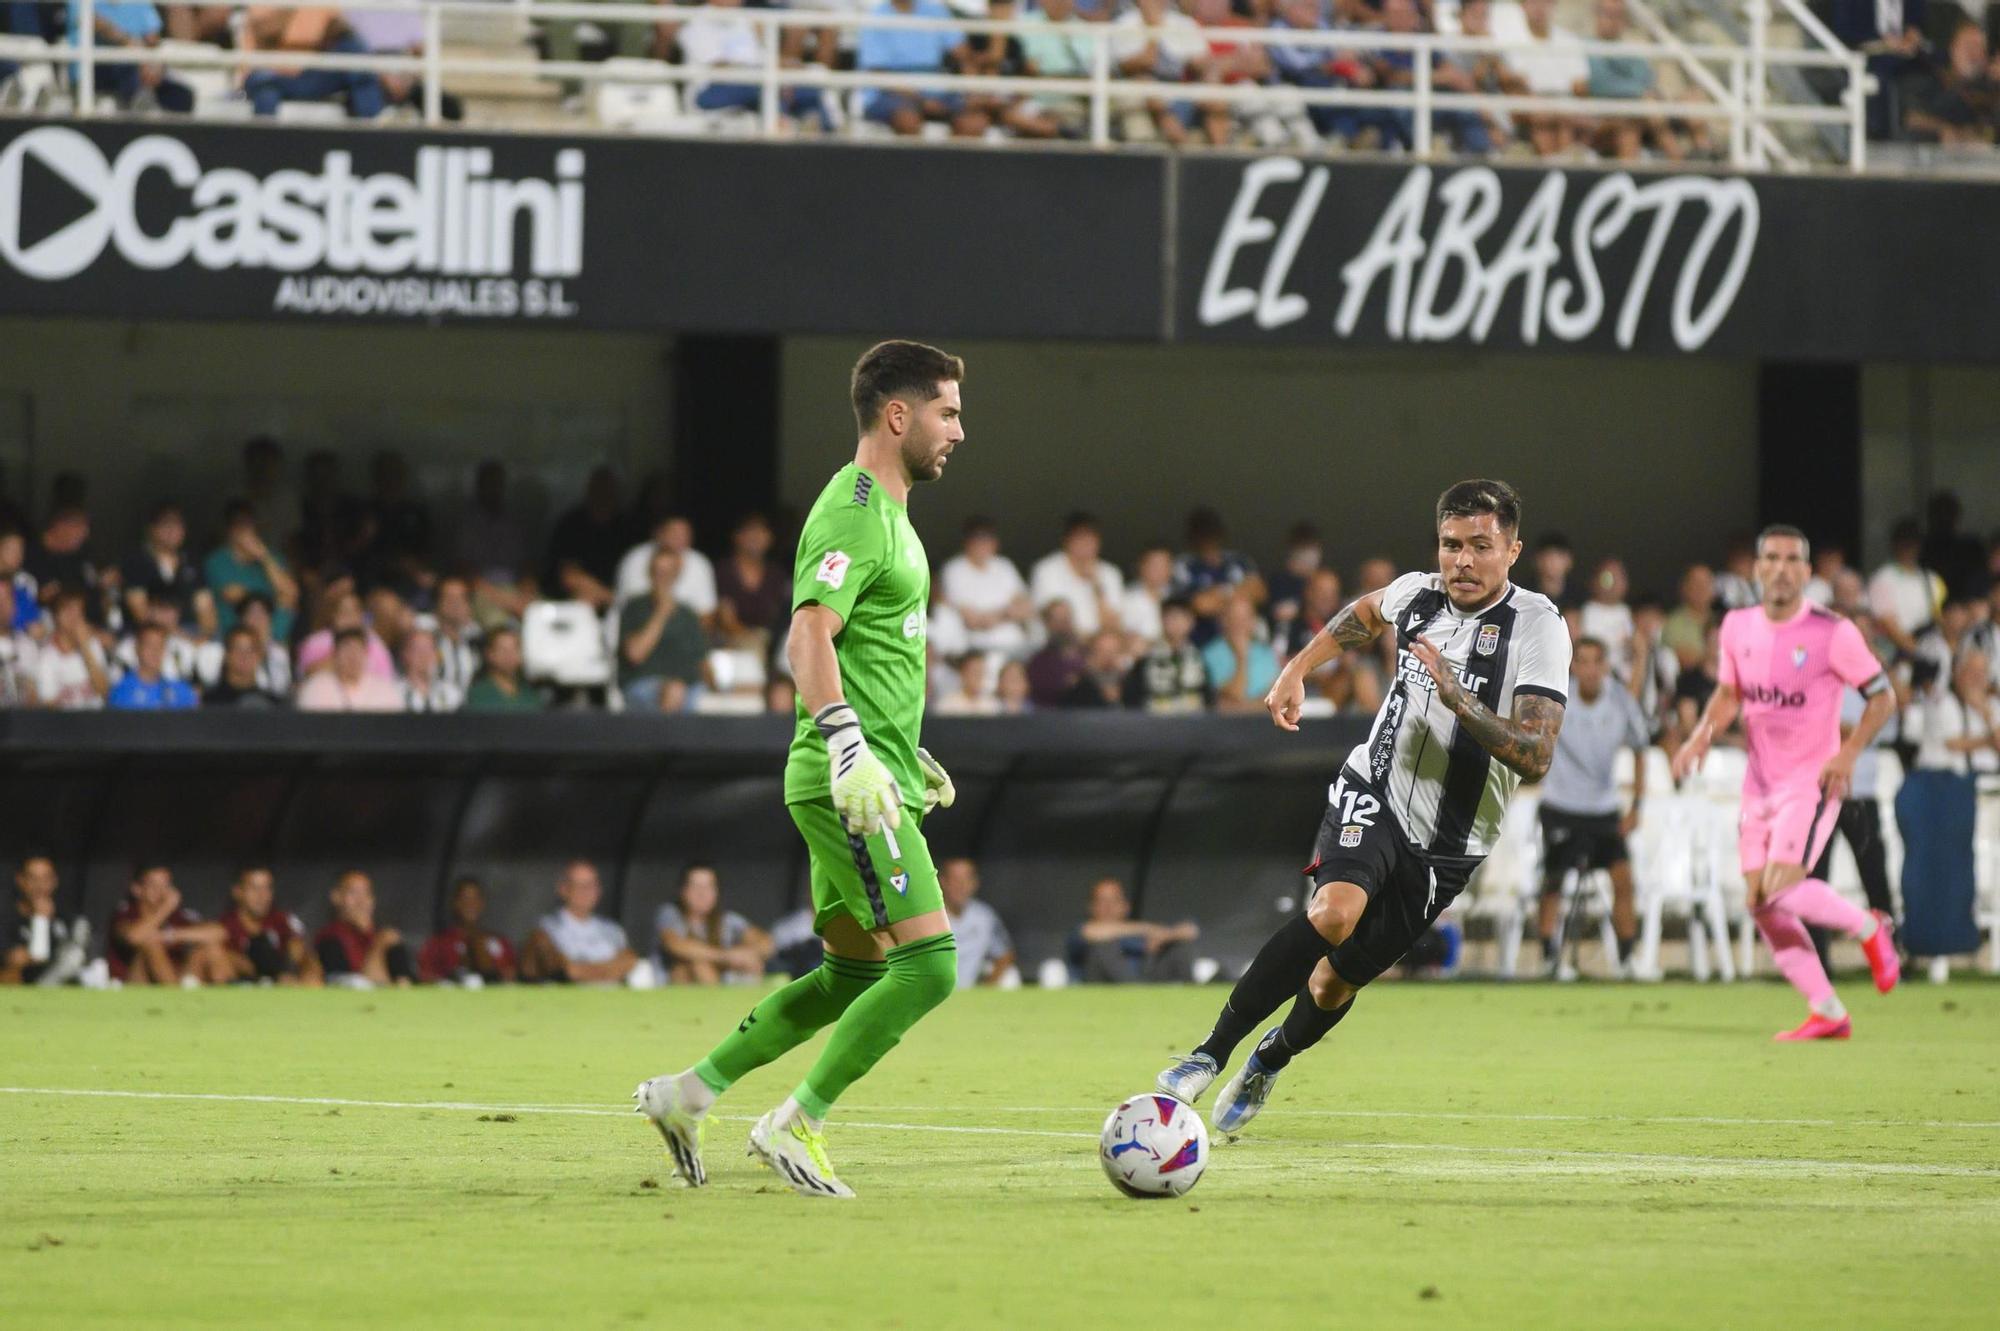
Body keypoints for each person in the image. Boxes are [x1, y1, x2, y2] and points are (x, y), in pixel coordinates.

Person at [635, 340, 966, 1200]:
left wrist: (901, 746)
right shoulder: (855, 509)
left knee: (850, 974)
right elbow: (807, 632)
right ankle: (797, 1121)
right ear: (900, 415)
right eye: (948, 412)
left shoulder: (891, 514)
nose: (959, 431)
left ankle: (687, 1093)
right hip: (848, 783)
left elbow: (868, 647)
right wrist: (851, 743)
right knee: (930, 967)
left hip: (871, 772)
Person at [1156, 479, 1571, 1137]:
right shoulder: (1418, 593)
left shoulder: (1539, 627)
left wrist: (1458, 698)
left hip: (1450, 845)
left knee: (1331, 985)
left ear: (1512, 550)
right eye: (1450, 544)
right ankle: (1209, 1052)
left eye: (1480, 546)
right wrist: (1297, 666)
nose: (1462, 560)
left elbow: (1536, 753)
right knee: (1333, 912)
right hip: (1374, 790)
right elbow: (1366, 612)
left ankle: (1271, 1056)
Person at [1672, 526, 1901, 1040]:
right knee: (1758, 902)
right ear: (1756, 568)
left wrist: (1849, 752)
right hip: (1760, 784)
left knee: (1782, 888)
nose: (1779, 567)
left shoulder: (1832, 631)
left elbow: (1883, 696)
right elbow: (1729, 694)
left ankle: (1870, 925)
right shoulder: (1736, 626)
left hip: (1811, 782)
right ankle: (1827, 1010)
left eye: (1791, 559)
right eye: (1769, 558)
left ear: (1806, 571)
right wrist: (1700, 737)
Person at [1535, 637, 1649, 976]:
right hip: (1561, 804)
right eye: (1581, 661)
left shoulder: (1621, 701)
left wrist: (1636, 806)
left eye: (1595, 662)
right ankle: (1547, 958)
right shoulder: (1557, 697)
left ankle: (1628, 960)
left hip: (1603, 809)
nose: (1588, 669)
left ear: (1604, 666)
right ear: (1574, 666)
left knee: (1623, 878)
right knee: (1553, 879)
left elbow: (1641, 748)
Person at [1895, 649, 1994, 968]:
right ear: (1957, 672)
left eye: (1983, 671)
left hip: (1965, 793)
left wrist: (1988, 717)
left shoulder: (1988, 706)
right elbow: (1953, 743)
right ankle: (1926, 943)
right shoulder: (1943, 701)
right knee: (1932, 871)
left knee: (1960, 872)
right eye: (1971, 670)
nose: (1977, 677)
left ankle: (1957, 942)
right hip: (1936, 792)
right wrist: (1989, 737)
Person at [109, 862, 233, 986]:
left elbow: (219, 933)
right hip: (135, 986)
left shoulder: (177, 917)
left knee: (211, 949)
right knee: (151, 945)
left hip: (177, 979)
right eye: (153, 885)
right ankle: (175, 998)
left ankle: (228, 1002)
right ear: (137, 889)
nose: (161, 891)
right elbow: (133, 937)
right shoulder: (127, 913)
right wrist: (165, 908)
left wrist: (168, 935)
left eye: (165, 885)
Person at [619, 547, 710, 713]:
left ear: (677, 575)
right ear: (650, 573)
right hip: (643, 684)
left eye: (668, 572)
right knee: (675, 690)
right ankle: (669, 739)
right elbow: (635, 654)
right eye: (658, 572)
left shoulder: (687, 613)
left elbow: (702, 660)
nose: (663, 578)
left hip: (690, 687)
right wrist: (661, 613)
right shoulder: (635, 607)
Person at [521, 860, 639, 984]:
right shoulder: (545, 928)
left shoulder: (612, 929)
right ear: (563, 889)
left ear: (599, 890)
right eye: (578, 885)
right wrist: (608, 970)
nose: (586, 892)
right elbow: (563, 969)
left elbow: (629, 962)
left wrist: (583, 970)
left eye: (591, 885)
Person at [655, 864, 773, 985]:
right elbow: (675, 945)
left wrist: (746, 956)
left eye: (708, 887)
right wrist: (726, 957)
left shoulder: (728, 920)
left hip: (725, 985)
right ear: (683, 890)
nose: (702, 893)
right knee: (697, 965)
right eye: (695, 886)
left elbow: (766, 944)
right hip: (672, 991)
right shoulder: (670, 914)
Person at [1068, 877, 1198, 983]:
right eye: (1102, 901)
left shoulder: (1135, 935)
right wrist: (1147, 929)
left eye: (1114, 900)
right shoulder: (1082, 931)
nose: (1108, 907)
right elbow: (1091, 933)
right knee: (1103, 949)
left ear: (1125, 906)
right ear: (1091, 907)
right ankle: (1135, 990)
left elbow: (1190, 930)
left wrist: (1165, 937)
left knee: (1178, 949)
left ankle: (1196, 997)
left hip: (1148, 981)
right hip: (1104, 992)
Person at [204, 501, 299, 639]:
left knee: (286, 602)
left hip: (269, 632)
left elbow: (291, 593)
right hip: (236, 630)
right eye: (238, 525)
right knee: (254, 609)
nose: (244, 531)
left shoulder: (271, 557)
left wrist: (264, 558)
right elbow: (234, 595)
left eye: (248, 524)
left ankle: (272, 645)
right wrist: (274, 597)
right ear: (229, 530)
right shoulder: (217, 560)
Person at [940, 517, 1033, 657]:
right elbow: (974, 621)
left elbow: (1027, 609)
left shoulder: (1004, 565)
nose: (983, 545)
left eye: (987, 539)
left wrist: (993, 615)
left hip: (1016, 645)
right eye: (978, 539)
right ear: (967, 542)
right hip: (978, 648)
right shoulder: (954, 569)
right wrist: (1008, 612)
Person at [120, 502, 214, 640]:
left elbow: (206, 608)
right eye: (166, 525)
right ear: (152, 529)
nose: (172, 530)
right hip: (149, 636)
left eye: (178, 525)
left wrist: (203, 639)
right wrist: (181, 637)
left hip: (191, 631)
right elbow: (139, 611)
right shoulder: (137, 561)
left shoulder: (192, 562)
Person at [1171, 507, 1262, 645]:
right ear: (1192, 536)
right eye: (1202, 533)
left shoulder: (1239, 561)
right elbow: (1200, 605)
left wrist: (1220, 595)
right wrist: (1238, 593)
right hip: (1203, 642)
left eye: (1212, 533)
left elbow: (1260, 592)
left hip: (1244, 641)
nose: (1208, 539)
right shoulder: (1184, 564)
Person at [1030, 514, 1125, 639]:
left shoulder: (1110, 573)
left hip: (1099, 646)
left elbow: (1114, 626)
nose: (1086, 545)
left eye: (1091, 540)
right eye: (1080, 539)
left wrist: (1097, 587)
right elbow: (1051, 620)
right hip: (1059, 644)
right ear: (1066, 541)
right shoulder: (1046, 569)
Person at [314, 870, 415, 987]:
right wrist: (379, 947)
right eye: (353, 893)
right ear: (336, 897)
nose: (361, 901)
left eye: (366, 893)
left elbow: (404, 982)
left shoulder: (384, 937)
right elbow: (351, 984)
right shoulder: (330, 938)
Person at [2, 855, 90, 986]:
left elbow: (78, 959)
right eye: (33, 879)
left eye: (46, 878)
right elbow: (31, 958)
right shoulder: (6, 917)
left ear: (55, 881)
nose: (40, 886)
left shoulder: (67, 919)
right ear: (20, 880)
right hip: (18, 990)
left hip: (59, 990)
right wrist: (40, 920)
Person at [219, 865, 312, 984]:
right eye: (254, 888)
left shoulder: (281, 921)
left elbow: (302, 955)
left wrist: (304, 972)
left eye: (267, 888)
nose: (261, 895)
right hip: (241, 992)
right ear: (237, 891)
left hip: (280, 988)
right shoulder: (226, 924)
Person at [1867, 518, 1942, 662]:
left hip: (1927, 650)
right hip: (1896, 655)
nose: (1908, 547)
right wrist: (1918, 655)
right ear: (1894, 543)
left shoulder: (1931, 579)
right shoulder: (1882, 578)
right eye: (1904, 542)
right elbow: (1888, 624)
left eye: (1913, 542)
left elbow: (1937, 619)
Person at [419, 877, 517, 985]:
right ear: (455, 903)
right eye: (465, 899)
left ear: (482, 903)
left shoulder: (499, 942)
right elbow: (426, 976)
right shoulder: (439, 943)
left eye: (475, 899)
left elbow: (511, 975)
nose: (470, 904)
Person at [1124, 597, 1211, 713]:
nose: (1177, 624)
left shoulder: (1198, 658)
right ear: (1162, 620)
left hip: (1194, 723)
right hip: (1155, 724)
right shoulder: (1146, 659)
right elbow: (1133, 699)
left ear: (1192, 622)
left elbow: (1207, 697)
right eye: (1171, 618)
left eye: (1182, 618)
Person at [940, 858, 1016, 988]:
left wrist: (987, 988)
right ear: (943, 882)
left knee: (1012, 977)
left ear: (975, 883)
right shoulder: (929, 917)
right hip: (936, 996)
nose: (961, 886)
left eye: (966, 880)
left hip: (971, 994)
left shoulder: (984, 917)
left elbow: (1005, 955)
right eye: (955, 880)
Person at [1203, 591, 1279, 714]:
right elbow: (1232, 696)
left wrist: (1243, 707)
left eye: (1245, 618)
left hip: (1265, 724)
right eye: (1233, 617)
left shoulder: (1266, 653)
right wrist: (1241, 658)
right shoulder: (1210, 654)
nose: (1239, 623)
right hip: (1227, 726)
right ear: (1222, 620)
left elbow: (1276, 700)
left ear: (1253, 621)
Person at [32, 590, 109, 711]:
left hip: (95, 720)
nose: (73, 617)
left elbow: (104, 692)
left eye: (78, 611)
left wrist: (85, 648)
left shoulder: (93, 645)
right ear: (56, 616)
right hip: (64, 724)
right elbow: (49, 705)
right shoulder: (46, 656)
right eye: (68, 610)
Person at [297, 627, 403, 712]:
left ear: (366, 654)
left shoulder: (384, 690)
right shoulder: (316, 687)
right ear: (335, 655)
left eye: (357, 650)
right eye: (346, 649)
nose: (352, 656)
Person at [107, 623, 200, 711]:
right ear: (137, 648)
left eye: (160, 646)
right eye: (149, 645)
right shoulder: (122, 691)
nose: (155, 652)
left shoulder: (181, 690)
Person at [461, 626, 545, 712]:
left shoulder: (531, 694)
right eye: (502, 650)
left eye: (515, 649)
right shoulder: (477, 694)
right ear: (489, 654)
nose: (509, 656)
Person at [202, 626, 288, 708]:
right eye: (238, 649)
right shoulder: (209, 702)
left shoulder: (273, 705)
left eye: (251, 650)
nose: (244, 656)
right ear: (227, 655)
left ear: (260, 656)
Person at [1062, 630, 1130, 709]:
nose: (1107, 655)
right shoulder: (1079, 683)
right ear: (1092, 653)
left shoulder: (1130, 682)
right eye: (1102, 650)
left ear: (1121, 653)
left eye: (1112, 651)